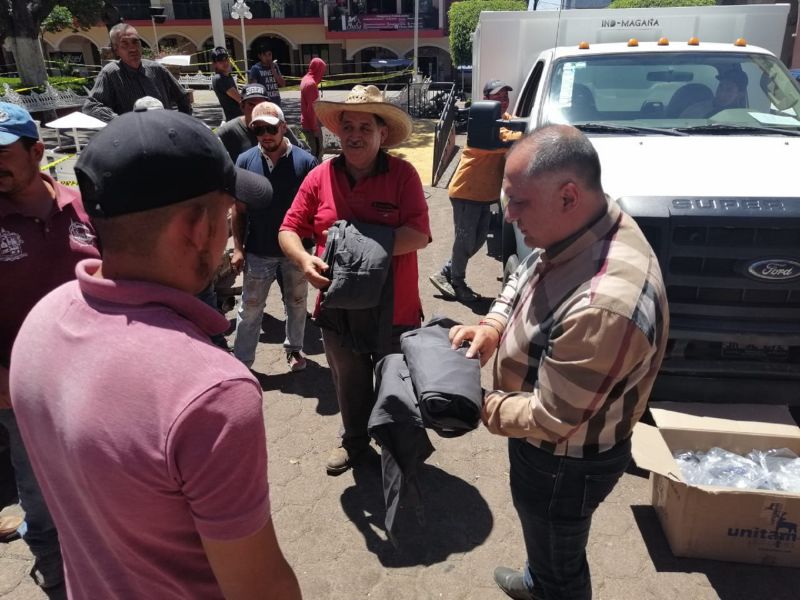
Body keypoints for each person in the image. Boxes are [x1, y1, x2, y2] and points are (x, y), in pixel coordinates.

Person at [10, 109, 301, 599]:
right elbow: (260, 588)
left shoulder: (41, 321)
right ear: (197, 227)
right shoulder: (212, 393)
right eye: (225, 214)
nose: (227, 226)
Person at [449, 125, 669, 600]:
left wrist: (469, 400)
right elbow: (528, 270)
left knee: (559, 560)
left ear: (568, 195)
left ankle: (546, 584)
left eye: (519, 203)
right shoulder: (585, 226)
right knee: (547, 542)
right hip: (549, 446)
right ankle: (537, 579)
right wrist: (493, 325)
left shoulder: (603, 305)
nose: (508, 216)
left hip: (563, 463)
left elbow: (552, 418)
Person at [279, 84, 431, 475]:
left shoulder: (402, 175)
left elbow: (418, 235)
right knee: (349, 381)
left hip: (394, 308)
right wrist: (303, 259)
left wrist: (353, 249)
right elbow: (289, 229)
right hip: (337, 307)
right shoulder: (320, 176)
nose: (355, 135)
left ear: (382, 133)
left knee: (395, 382)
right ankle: (354, 441)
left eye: (365, 127)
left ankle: (397, 449)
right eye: (348, 127)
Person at [0, 102, 100, 589]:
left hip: (93, 381)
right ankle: (53, 566)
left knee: (97, 475)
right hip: (19, 387)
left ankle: (99, 559)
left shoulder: (81, 207)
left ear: (37, 151)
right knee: (38, 486)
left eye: (2, 153)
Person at [232, 102, 318, 372]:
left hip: (296, 252)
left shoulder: (306, 162)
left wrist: (314, 250)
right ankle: (242, 363)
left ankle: (294, 349)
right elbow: (238, 210)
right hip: (258, 249)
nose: (265, 135)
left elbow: (316, 209)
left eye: (270, 128)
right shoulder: (244, 162)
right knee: (250, 307)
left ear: (283, 127)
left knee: (297, 302)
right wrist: (238, 248)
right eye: (258, 130)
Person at [429, 79, 519, 303]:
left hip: (484, 195)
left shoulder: (506, 119)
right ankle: (457, 282)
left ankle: (446, 272)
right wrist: (530, 132)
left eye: (505, 97)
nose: (503, 101)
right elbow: (504, 140)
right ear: (486, 99)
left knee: (477, 241)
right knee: (465, 241)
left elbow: (513, 128)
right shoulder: (481, 120)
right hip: (466, 192)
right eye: (498, 97)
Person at [82, 23, 192, 122]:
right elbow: (91, 106)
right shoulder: (111, 74)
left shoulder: (157, 69)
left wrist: (182, 122)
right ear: (116, 50)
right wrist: (121, 122)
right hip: (133, 135)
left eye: (135, 42)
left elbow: (183, 97)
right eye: (125, 44)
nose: (133, 49)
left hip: (164, 132)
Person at [218, 83, 307, 163]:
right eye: (251, 105)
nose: (256, 109)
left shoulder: (277, 126)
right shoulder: (228, 131)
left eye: (261, 104)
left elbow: (303, 153)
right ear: (242, 106)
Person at [681, 68, 748, 117]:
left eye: (729, 90)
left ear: (740, 94)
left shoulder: (745, 118)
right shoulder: (696, 110)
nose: (721, 93)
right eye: (720, 86)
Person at [300, 57, 327, 160]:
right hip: (311, 126)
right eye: (322, 70)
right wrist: (315, 129)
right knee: (317, 154)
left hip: (308, 124)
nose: (323, 74)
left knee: (313, 153)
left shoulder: (305, 79)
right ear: (318, 69)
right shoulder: (311, 84)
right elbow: (312, 110)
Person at [211, 46, 243, 123]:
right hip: (234, 120)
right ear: (214, 64)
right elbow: (240, 99)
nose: (225, 62)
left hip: (235, 118)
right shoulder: (220, 78)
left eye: (226, 59)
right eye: (220, 61)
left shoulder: (227, 76)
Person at [248, 42, 285, 107]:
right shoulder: (255, 68)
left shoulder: (275, 66)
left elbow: (282, 84)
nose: (268, 57)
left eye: (269, 54)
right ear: (259, 56)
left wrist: (273, 70)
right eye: (264, 55)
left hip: (276, 103)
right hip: (263, 104)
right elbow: (253, 89)